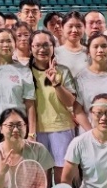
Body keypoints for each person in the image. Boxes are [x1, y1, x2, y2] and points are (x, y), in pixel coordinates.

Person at [29, 30, 78, 178]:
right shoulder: (26, 72)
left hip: (62, 128)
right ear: (31, 47)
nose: (42, 49)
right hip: (37, 132)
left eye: (46, 45)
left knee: (61, 176)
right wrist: (31, 133)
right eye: (37, 45)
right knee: (41, 178)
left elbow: (70, 101)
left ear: (53, 47)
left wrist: (56, 83)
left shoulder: (62, 71)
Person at [0, 28, 36, 135]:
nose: (5, 45)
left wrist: (32, 133)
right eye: (1, 41)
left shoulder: (24, 70)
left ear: (15, 44)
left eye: (9, 41)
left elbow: (30, 104)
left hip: (19, 125)